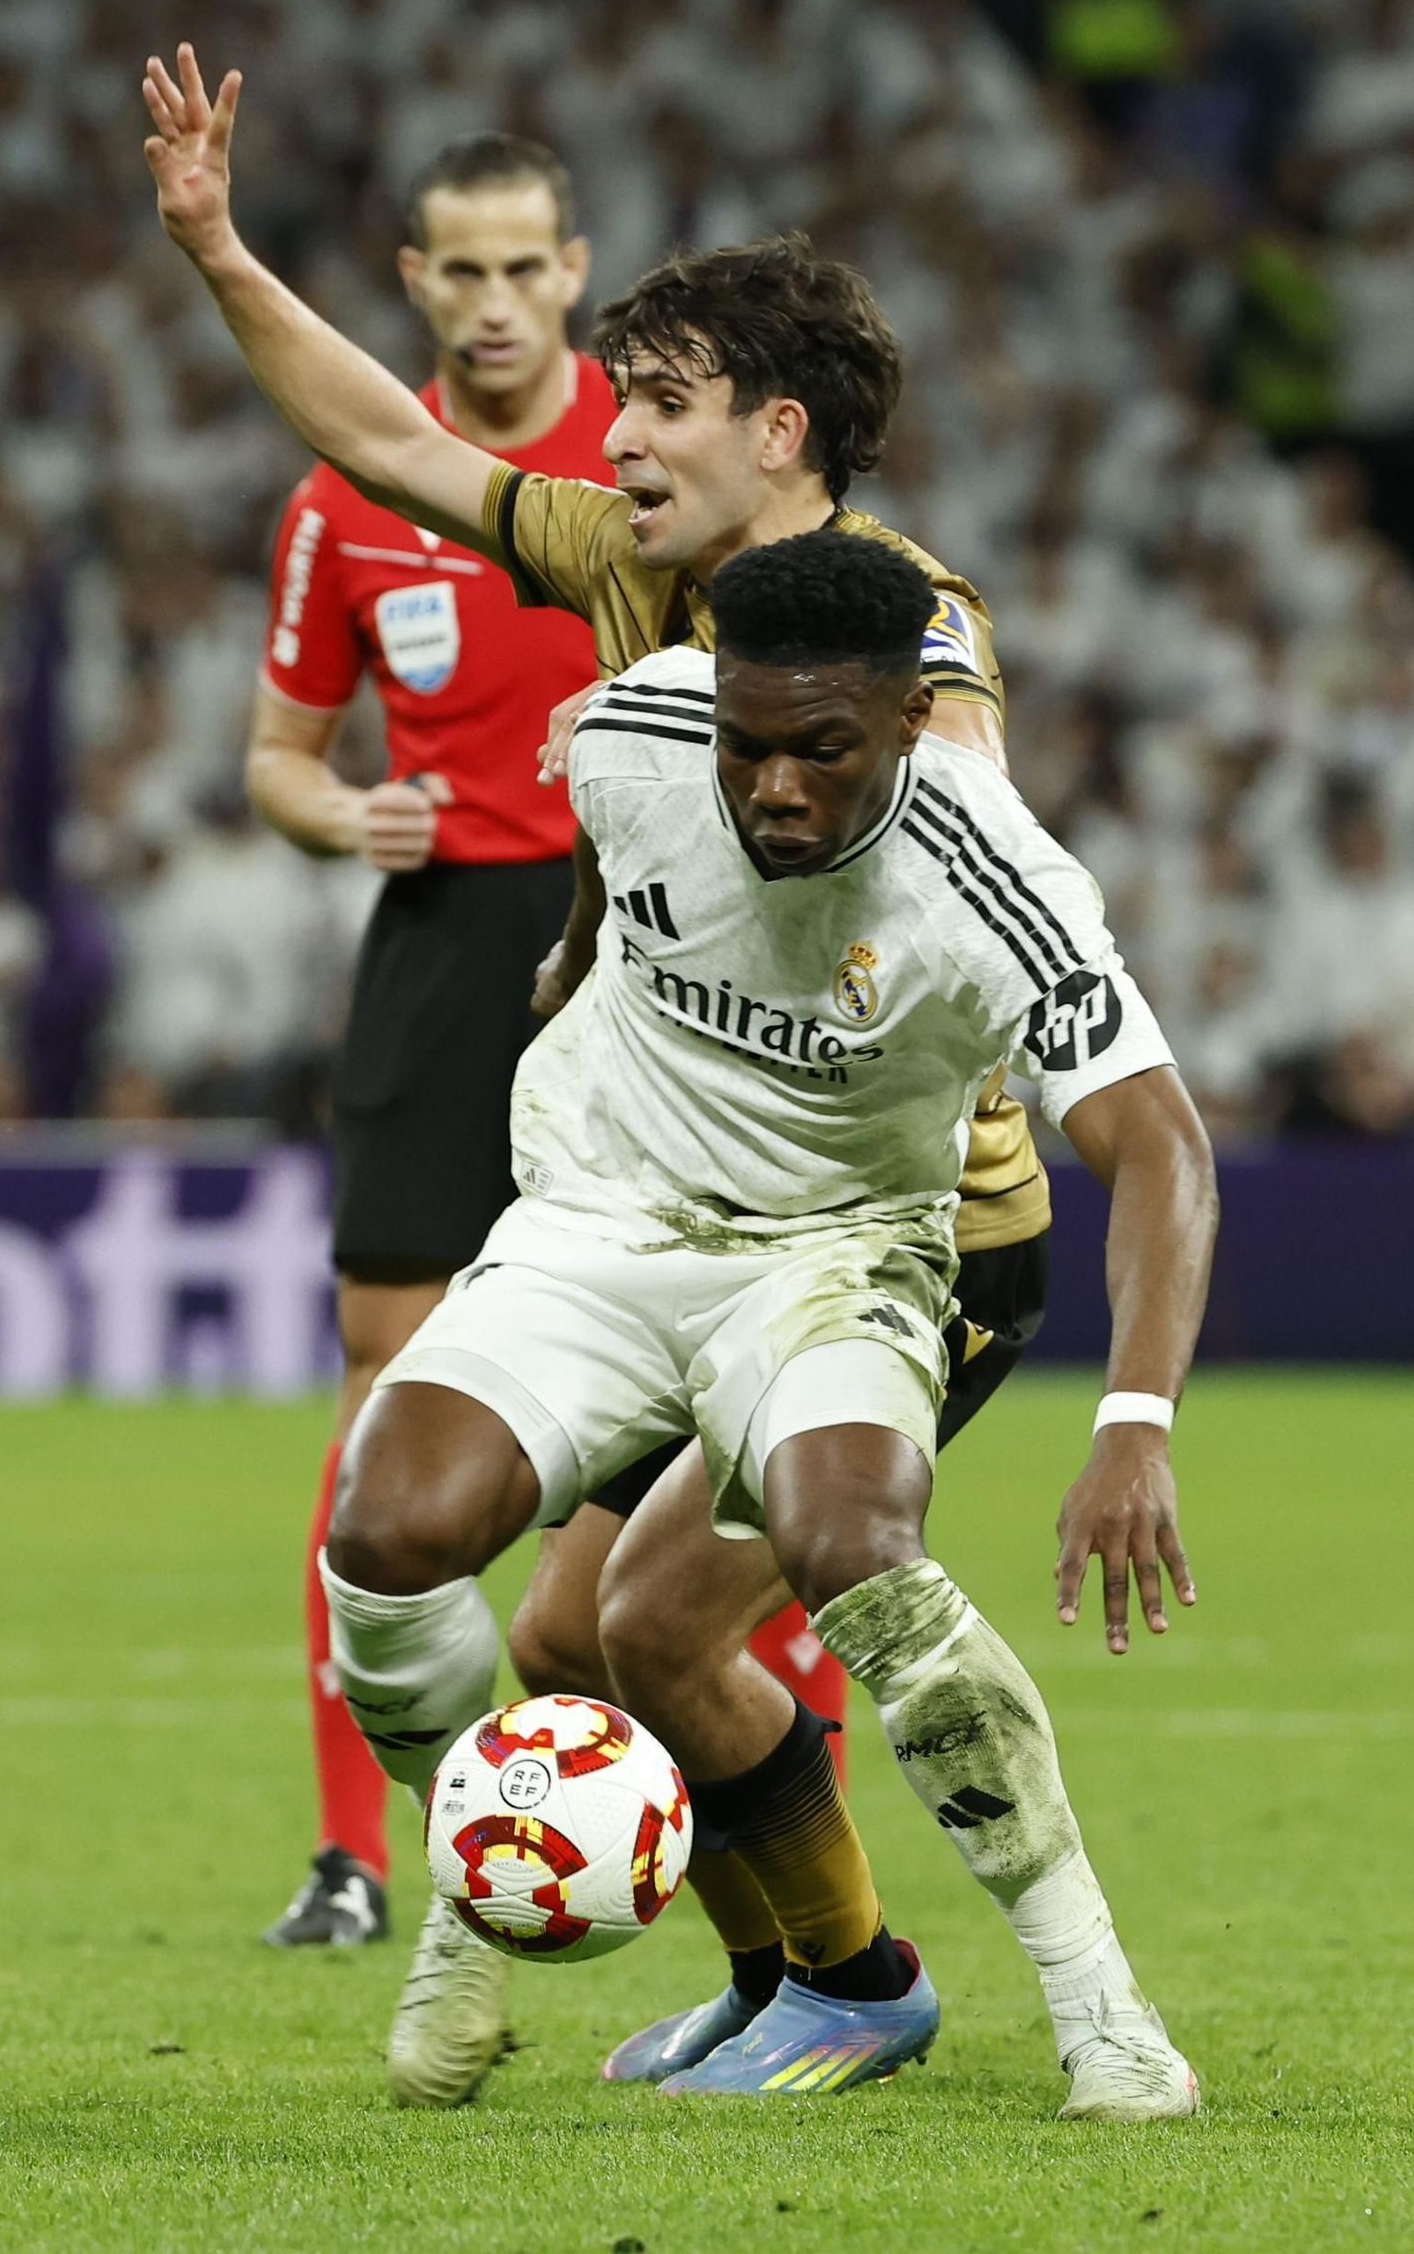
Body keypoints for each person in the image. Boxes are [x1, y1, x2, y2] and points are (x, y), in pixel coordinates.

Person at [141, 41, 1051, 2104]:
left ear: (776, 432)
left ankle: (870, 1979)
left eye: (654, 402)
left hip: (911, 1225)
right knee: (571, 1636)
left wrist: (752, 767)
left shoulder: (900, 612)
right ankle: (785, 1973)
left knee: (648, 1628)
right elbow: (382, 436)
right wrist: (216, 252)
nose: (609, 433)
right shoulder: (623, 552)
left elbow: (958, 772)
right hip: (722, 1203)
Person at [318, 530, 1217, 2115]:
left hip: (835, 1249)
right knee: (386, 1535)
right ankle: (473, 1900)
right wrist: (576, 956)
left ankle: (1102, 2005)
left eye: (824, 752)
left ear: (910, 721)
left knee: (851, 1541)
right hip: (605, 1220)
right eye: (748, 746)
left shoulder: (999, 879)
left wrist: (1134, 1425)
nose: (775, 789)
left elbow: (1160, 1147)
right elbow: (610, 844)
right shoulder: (636, 730)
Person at [244, 135, 850, 1976]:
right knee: (386, 1394)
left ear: (571, 270)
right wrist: (342, 817)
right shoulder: (345, 503)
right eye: (463, 271)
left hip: (651, 944)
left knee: (727, 1379)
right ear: (416, 280)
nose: (496, 301)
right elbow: (276, 761)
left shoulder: (661, 459)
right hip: (448, 947)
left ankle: (782, 1799)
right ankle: (362, 1852)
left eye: (526, 268)